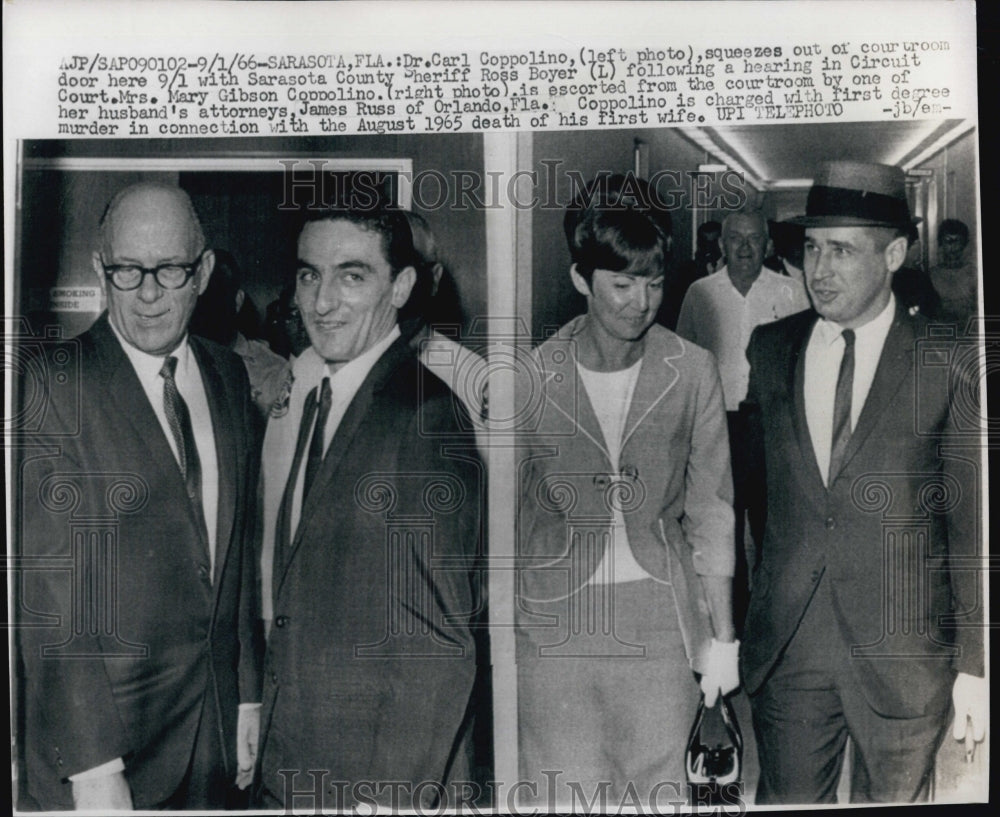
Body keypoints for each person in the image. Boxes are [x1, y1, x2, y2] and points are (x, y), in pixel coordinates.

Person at [740, 161, 986, 803]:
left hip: (905, 652)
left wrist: (976, 664)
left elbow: (971, 525)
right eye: (812, 248)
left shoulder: (947, 359)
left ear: (894, 255)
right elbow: (755, 500)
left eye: (842, 250)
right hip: (792, 645)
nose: (819, 270)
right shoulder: (770, 349)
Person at [17, 183, 262, 810]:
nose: (149, 294)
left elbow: (236, 555)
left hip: (213, 733)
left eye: (171, 269)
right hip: (108, 750)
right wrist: (94, 766)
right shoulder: (52, 384)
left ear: (203, 272)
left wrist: (247, 694)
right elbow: (50, 596)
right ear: (100, 269)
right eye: (127, 270)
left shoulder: (229, 376)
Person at [516, 177, 738, 808]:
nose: (642, 304)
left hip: (660, 622)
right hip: (556, 624)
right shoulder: (532, 376)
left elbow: (711, 512)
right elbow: (510, 515)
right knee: (565, 796)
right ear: (581, 279)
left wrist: (723, 639)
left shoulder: (691, 369)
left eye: (655, 283)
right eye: (622, 284)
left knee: (661, 795)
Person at [256, 207, 483, 810]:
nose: (322, 301)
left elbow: (438, 640)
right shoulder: (318, 395)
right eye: (309, 275)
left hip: (373, 775)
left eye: (352, 276)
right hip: (296, 753)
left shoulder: (425, 414)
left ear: (401, 287)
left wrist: (391, 797)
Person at [676, 210, 810, 631]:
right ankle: (730, 623)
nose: (746, 247)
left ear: (768, 244)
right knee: (722, 526)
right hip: (717, 428)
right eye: (736, 238)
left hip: (772, 429)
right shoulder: (700, 294)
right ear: (722, 244)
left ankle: (772, 621)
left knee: (773, 526)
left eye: (755, 239)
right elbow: (682, 364)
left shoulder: (792, 292)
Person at [190, 248, 291, 415]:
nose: (207, 311)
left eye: (217, 299)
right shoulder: (174, 364)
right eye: (200, 300)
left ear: (238, 301)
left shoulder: (274, 370)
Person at [928, 218, 978, 328]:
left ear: (964, 243)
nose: (953, 246)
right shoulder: (932, 275)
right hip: (941, 331)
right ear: (941, 243)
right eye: (948, 240)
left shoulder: (973, 273)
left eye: (957, 241)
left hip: (968, 331)